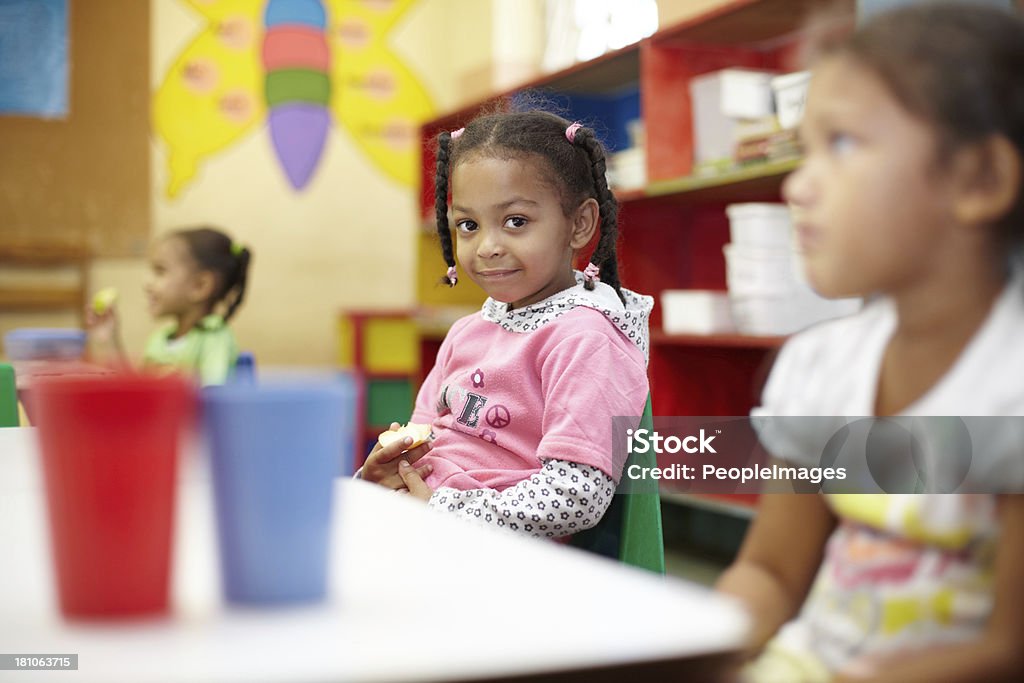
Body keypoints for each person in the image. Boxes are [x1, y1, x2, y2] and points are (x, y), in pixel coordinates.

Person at [715, 4, 1024, 682]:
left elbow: (1009, 648)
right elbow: (770, 570)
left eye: (844, 144)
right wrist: (700, 645)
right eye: (805, 150)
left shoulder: (1010, 383)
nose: (797, 185)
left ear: (979, 180)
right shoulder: (822, 366)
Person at [362, 111, 653, 539]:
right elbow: (424, 437)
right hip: (429, 528)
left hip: (498, 556)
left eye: (516, 221)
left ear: (580, 224)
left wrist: (443, 511)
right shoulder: (467, 331)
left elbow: (576, 495)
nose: (487, 247)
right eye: (468, 225)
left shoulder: (587, 340)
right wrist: (390, 469)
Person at [87, 226, 251, 386]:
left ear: (200, 286)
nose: (147, 284)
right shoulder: (158, 340)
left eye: (160, 271)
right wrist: (109, 339)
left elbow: (214, 396)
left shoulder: (215, 337)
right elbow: (135, 394)